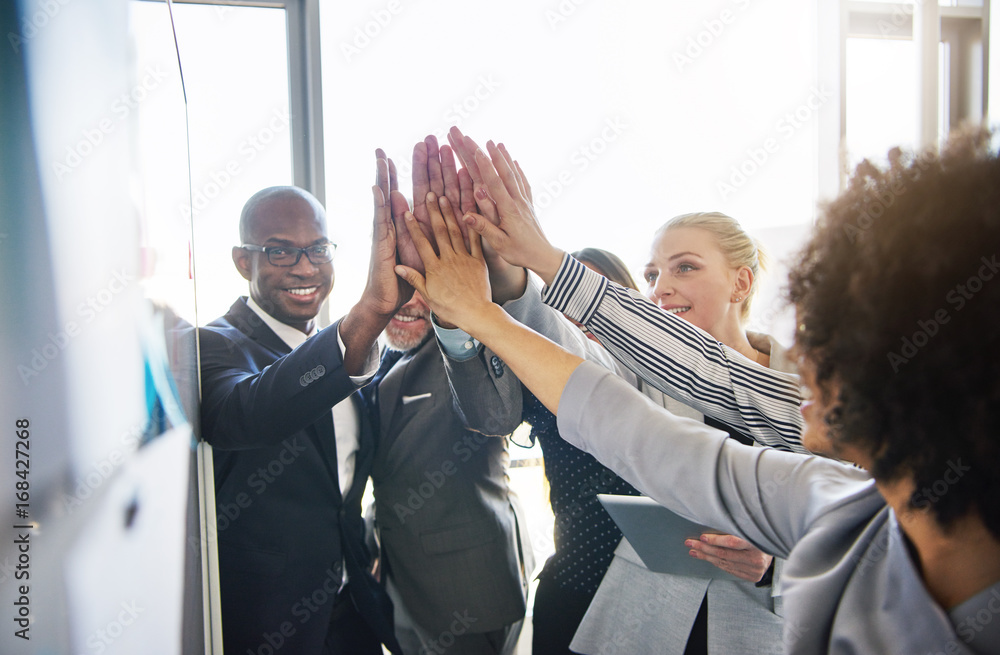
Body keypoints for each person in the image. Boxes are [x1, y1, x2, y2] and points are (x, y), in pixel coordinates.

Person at [395, 132, 1000, 654]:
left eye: (840, 342)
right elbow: (630, 421)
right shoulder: (828, 501)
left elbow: (706, 388)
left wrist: (772, 565)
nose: (807, 368)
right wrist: (495, 299)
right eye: (654, 273)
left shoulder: (825, 491)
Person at [198, 157, 408, 655]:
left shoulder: (356, 355)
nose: (306, 267)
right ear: (242, 261)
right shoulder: (211, 346)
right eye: (280, 252)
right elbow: (250, 413)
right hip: (268, 621)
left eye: (317, 248)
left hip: (353, 610)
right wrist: (367, 314)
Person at [571, 215, 798, 655]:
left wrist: (777, 564)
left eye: (685, 267)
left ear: (741, 283)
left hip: (765, 628)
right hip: (649, 619)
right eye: (653, 275)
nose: (659, 289)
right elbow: (571, 354)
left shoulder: (811, 387)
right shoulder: (638, 375)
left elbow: (856, 521)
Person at [364, 136, 534, 655]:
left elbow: (495, 414)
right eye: (401, 279)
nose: (413, 300)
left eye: (428, 281)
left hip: (469, 592)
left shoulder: (463, 347)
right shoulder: (372, 361)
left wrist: (461, 314)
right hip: (397, 588)